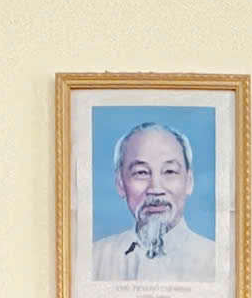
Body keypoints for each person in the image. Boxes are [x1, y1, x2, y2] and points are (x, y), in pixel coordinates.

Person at [90, 121, 219, 283]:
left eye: (169, 171)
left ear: (189, 182)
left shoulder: (216, 261)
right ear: (120, 184)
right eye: (141, 172)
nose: (156, 189)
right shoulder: (95, 259)